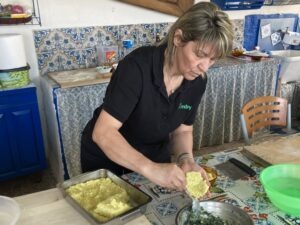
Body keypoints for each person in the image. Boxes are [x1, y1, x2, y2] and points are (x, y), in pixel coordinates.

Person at [80, 1, 234, 192]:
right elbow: (103, 132)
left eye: (212, 59)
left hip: (154, 156)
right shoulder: (136, 68)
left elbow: (183, 131)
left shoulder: (197, 80)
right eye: (200, 54)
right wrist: (151, 169)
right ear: (178, 38)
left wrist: (185, 159)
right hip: (108, 156)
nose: (205, 66)